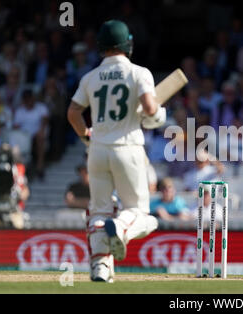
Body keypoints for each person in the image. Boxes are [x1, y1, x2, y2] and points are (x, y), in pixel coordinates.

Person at [67, 20, 160, 283]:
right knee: (141, 214)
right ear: (127, 44)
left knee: (98, 212)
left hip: (96, 151)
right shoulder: (139, 73)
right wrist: (158, 116)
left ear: (101, 47)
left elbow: (73, 112)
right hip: (128, 147)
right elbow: (150, 109)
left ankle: (100, 268)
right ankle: (119, 228)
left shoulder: (90, 77)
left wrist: (85, 133)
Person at [13, 89, 49, 179]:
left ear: (33, 98)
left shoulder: (41, 107)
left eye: (30, 99)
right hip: (24, 136)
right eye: (26, 99)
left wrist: (41, 130)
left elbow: (45, 120)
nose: (29, 101)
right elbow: (16, 127)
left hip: (38, 134)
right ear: (23, 100)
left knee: (40, 137)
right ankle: (21, 170)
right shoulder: (19, 111)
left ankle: (40, 166)